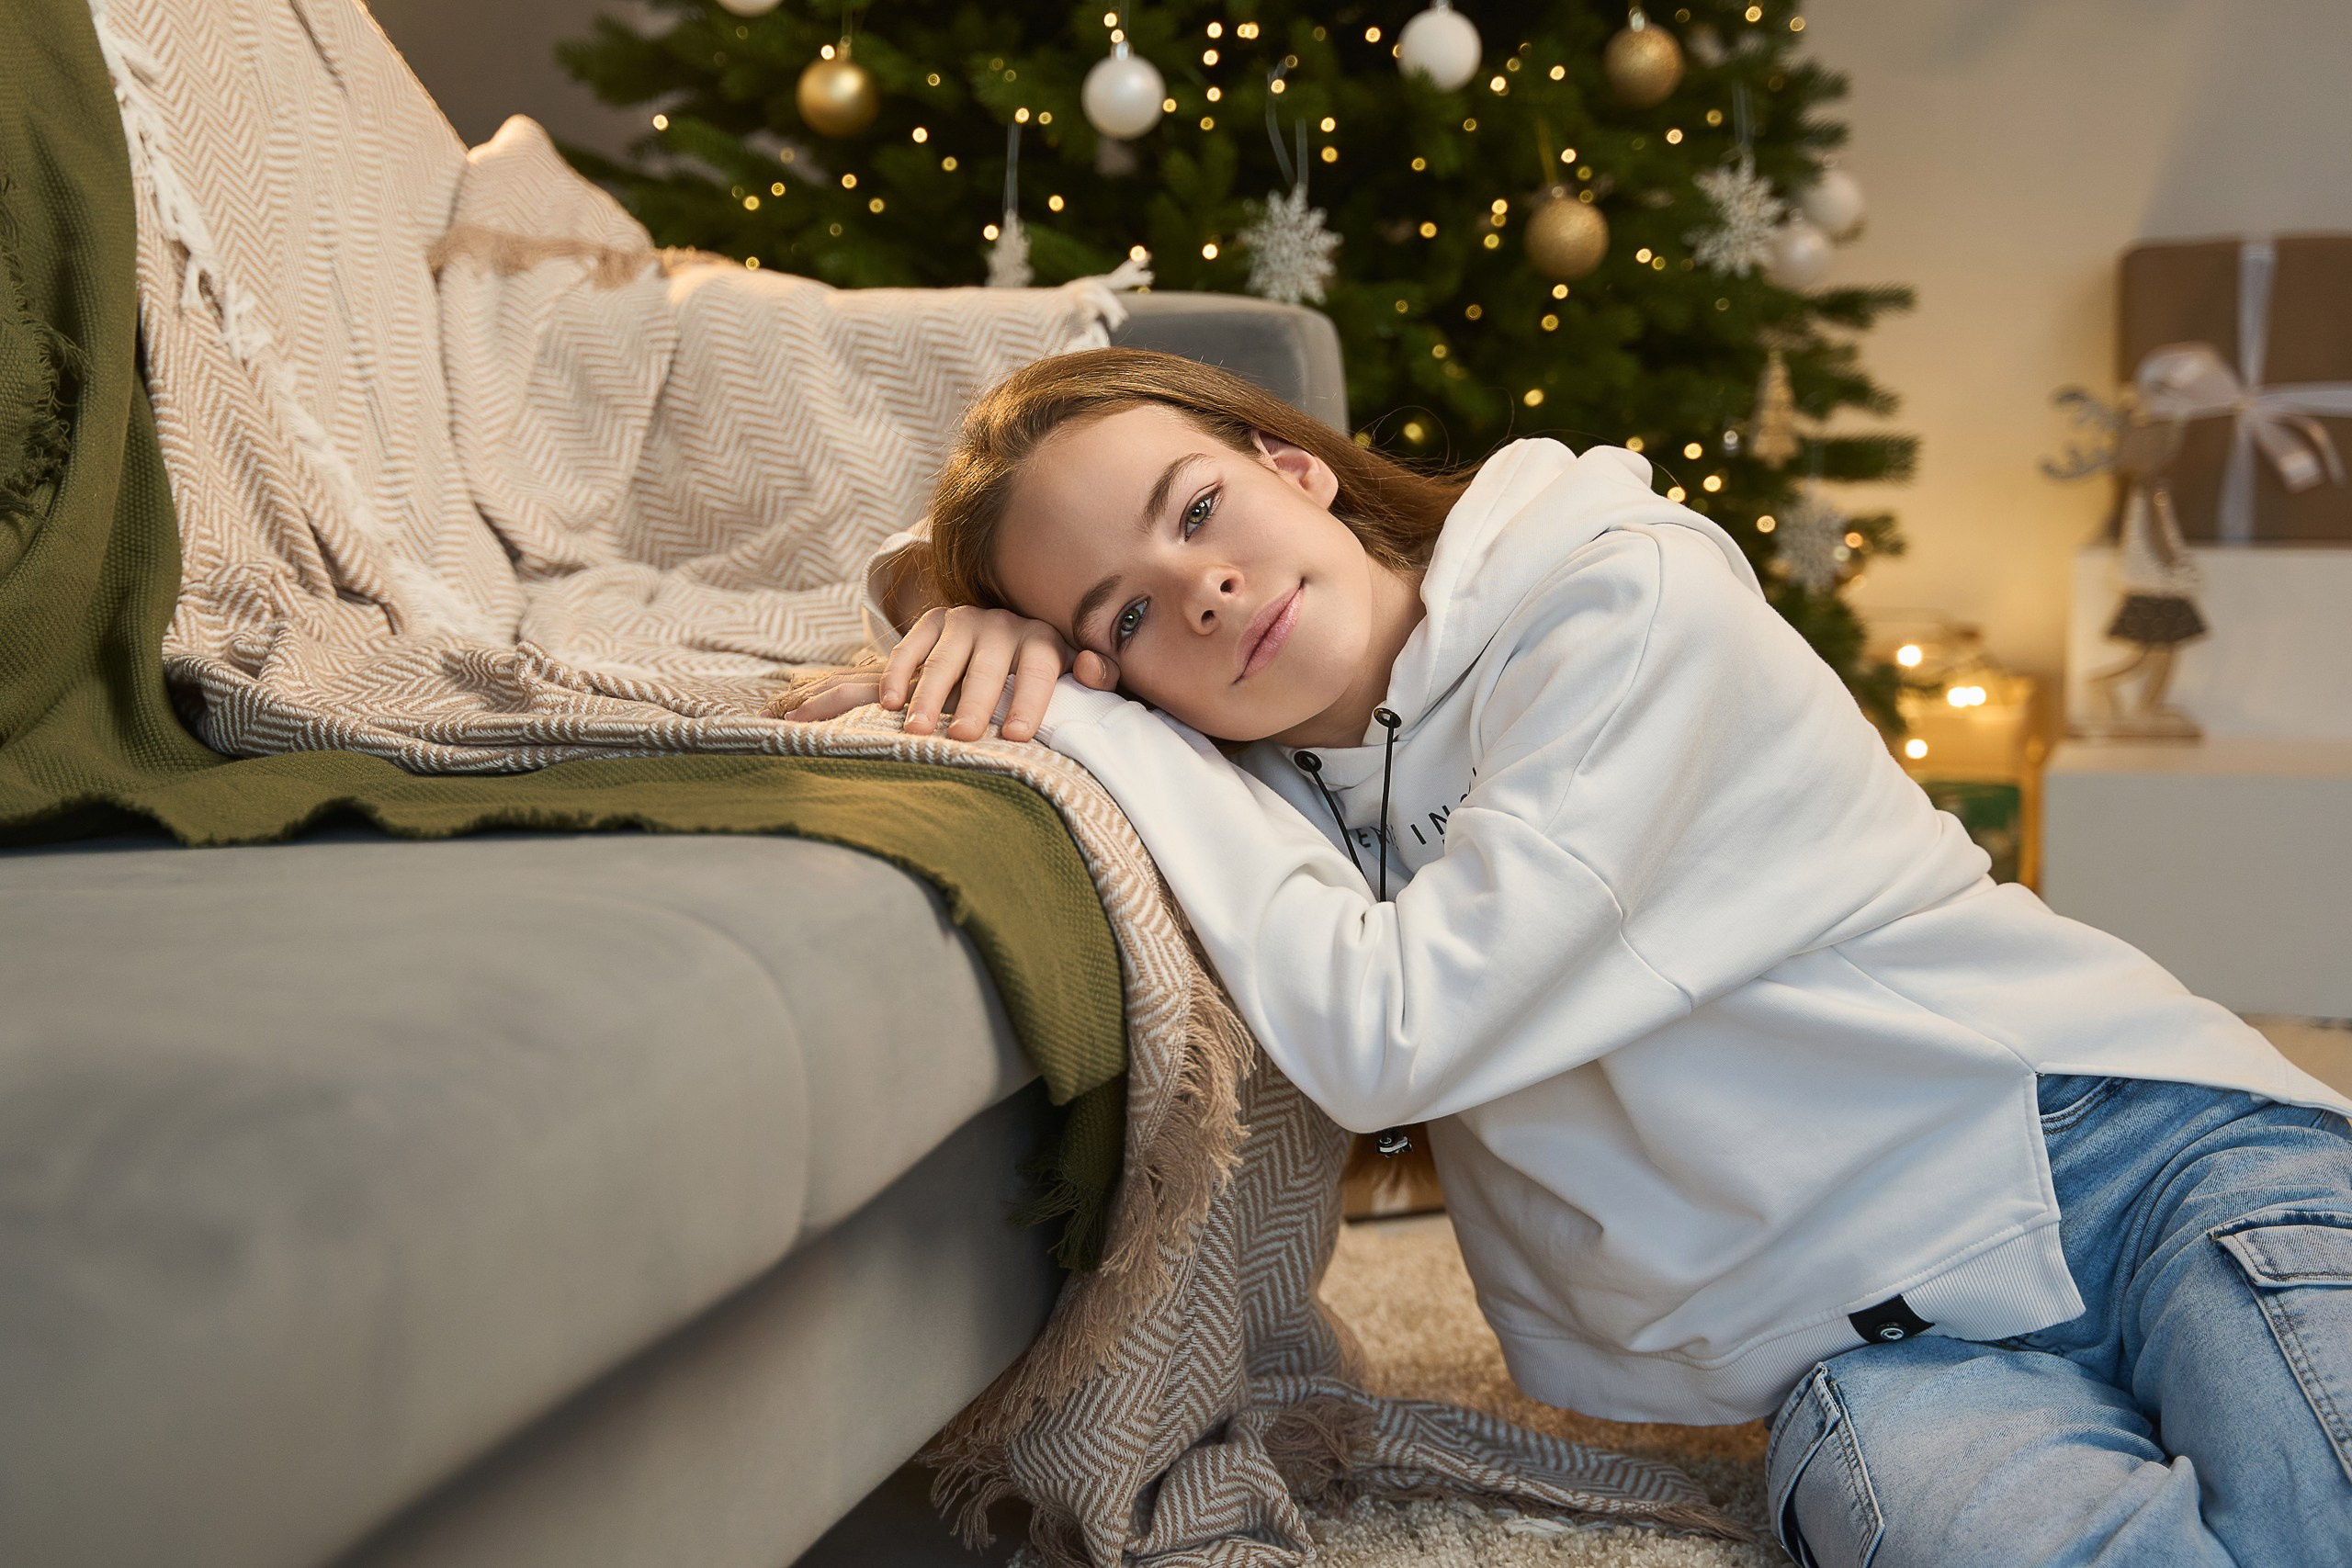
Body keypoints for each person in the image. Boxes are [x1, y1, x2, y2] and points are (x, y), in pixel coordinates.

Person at [776, 348, 2352, 1566]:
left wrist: (1094, 696)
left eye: (1202, 513)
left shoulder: (1622, 600)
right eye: (1125, 615)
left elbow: (1400, 1027)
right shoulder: (1265, 789)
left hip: (2133, 1159)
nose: (1200, 589)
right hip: (1869, 1356)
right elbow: (924, 547)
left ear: (1295, 470)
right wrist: (982, 623)